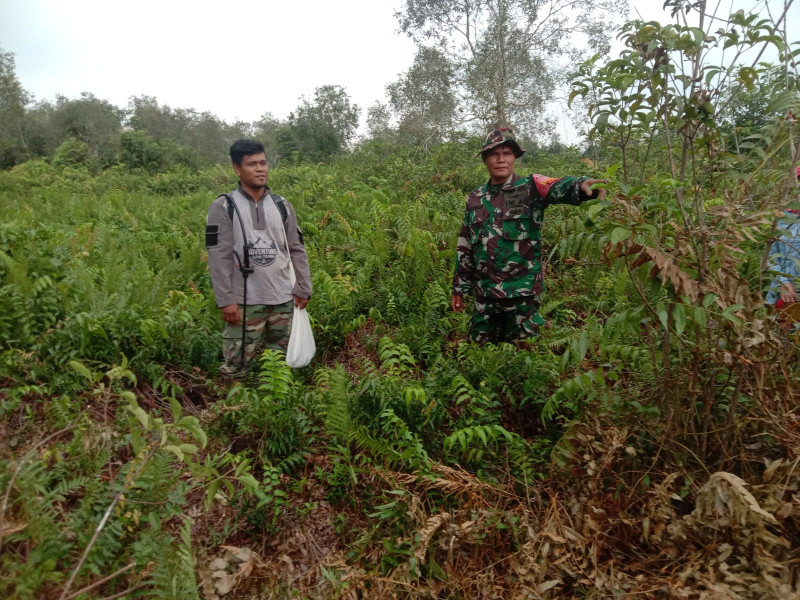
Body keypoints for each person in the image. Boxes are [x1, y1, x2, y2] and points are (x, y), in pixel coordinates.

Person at [451, 127, 607, 344]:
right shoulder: (475, 198)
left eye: (506, 153)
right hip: (484, 294)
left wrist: (580, 186)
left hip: (521, 294)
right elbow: (465, 244)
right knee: (479, 351)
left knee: (524, 353)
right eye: (494, 154)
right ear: (485, 160)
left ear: (514, 157)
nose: (501, 159)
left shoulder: (530, 187)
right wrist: (459, 287)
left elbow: (556, 186)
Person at [205, 139, 312, 378]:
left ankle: (275, 409)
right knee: (237, 367)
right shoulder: (223, 206)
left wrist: (304, 287)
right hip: (245, 302)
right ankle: (235, 409)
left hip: (284, 299)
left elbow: (296, 248)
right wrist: (225, 300)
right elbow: (218, 257)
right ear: (237, 168)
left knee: (280, 367)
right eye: (252, 164)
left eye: (263, 163)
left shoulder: (282, 205)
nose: (260, 169)